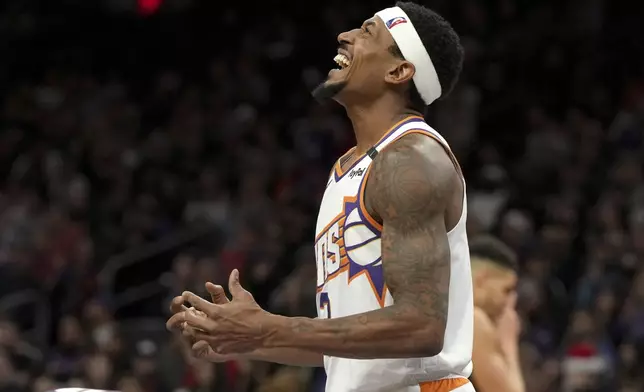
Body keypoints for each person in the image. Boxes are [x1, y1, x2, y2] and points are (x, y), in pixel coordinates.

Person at [167, 2, 472, 391]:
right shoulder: (348, 169)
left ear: (399, 71)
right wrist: (246, 340)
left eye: (368, 32)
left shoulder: (410, 160)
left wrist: (270, 328)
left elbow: (421, 326)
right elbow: (348, 345)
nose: (345, 35)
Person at [468, 235, 525, 392]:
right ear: (482, 279)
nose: (509, 302)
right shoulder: (473, 320)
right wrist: (508, 342)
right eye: (506, 290)